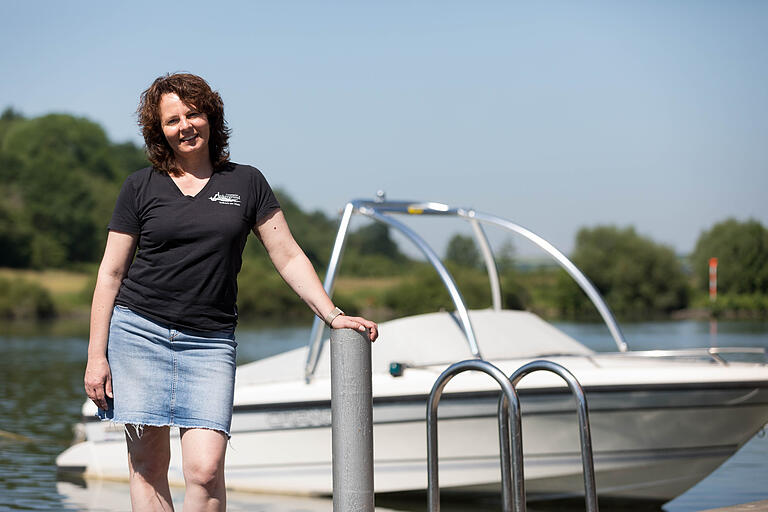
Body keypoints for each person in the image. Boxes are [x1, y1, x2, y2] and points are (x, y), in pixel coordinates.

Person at [83, 72, 378, 512]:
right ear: (159, 130)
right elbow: (110, 274)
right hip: (138, 334)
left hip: (209, 341)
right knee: (147, 464)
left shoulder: (246, 183)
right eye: (172, 120)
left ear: (210, 117)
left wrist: (332, 314)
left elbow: (289, 256)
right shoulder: (139, 186)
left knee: (204, 470)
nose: (185, 126)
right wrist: (96, 356)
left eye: (193, 114)